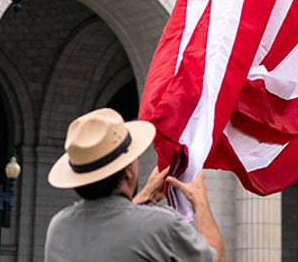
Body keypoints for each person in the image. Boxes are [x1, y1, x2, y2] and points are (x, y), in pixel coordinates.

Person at [46, 107, 225, 262]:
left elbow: (112, 231)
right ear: (128, 172)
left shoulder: (59, 227)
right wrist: (200, 202)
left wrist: (145, 195)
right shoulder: (162, 226)